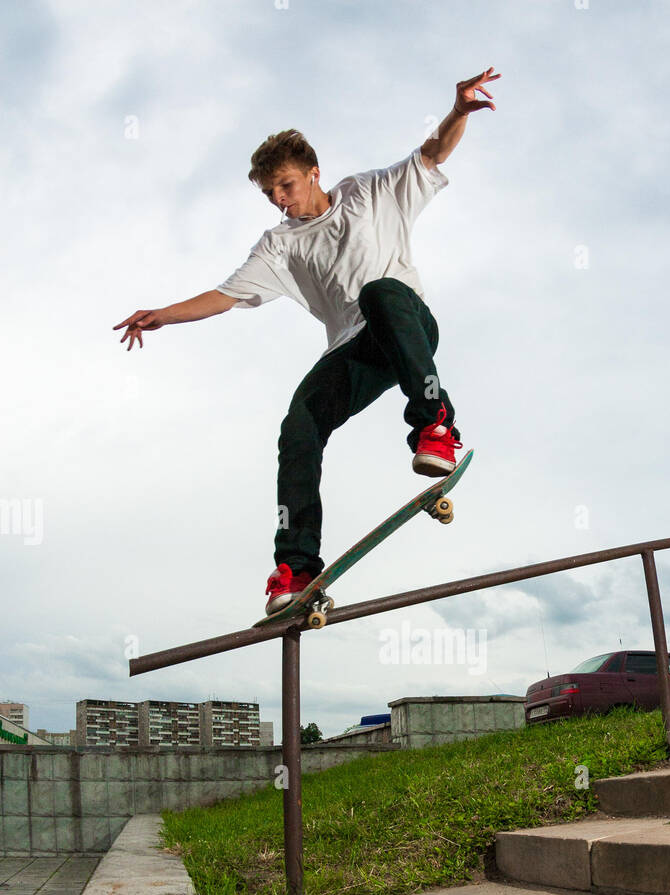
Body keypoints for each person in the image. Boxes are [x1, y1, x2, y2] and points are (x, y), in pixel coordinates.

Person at [114, 68, 500, 618]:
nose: (278, 200)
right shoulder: (279, 245)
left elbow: (433, 154)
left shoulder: (370, 192)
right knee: (300, 426)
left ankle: (435, 423)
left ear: (315, 173)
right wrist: (163, 315)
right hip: (354, 349)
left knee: (381, 292)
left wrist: (459, 110)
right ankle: (297, 563)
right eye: (270, 193)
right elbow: (225, 295)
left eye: (286, 187)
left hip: (407, 322)